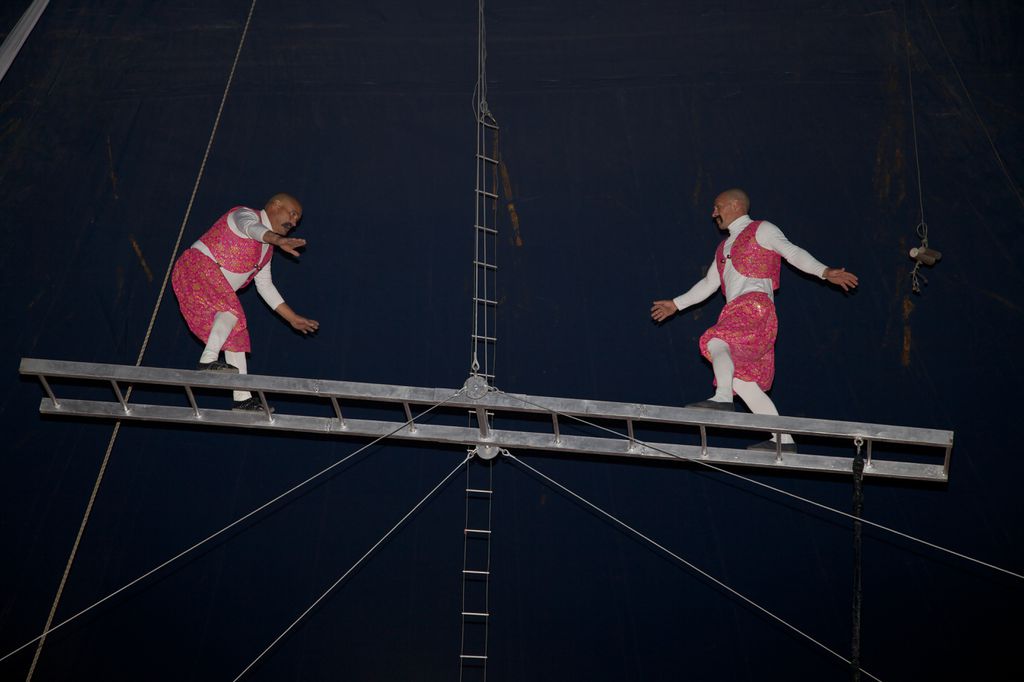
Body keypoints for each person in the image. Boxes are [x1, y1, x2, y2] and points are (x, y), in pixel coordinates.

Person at [650, 188, 857, 452]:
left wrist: (825, 272)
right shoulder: (723, 247)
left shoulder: (762, 229)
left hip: (755, 306)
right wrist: (676, 304)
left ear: (735, 205)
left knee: (714, 341)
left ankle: (723, 399)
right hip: (738, 310)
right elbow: (708, 284)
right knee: (743, 380)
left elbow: (793, 253)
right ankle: (782, 440)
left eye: (718, 206)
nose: (714, 213)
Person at [171, 193, 319, 411]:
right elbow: (252, 229)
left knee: (237, 334)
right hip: (197, 269)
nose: (294, 222)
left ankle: (242, 398)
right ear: (275, 205)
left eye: (297, 219)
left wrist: (292, 318)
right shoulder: (245, 215)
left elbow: (265, 287)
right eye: (293, 213)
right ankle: (208, 360)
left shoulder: (265, 252)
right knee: (232, 313)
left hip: (212, 287)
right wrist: (277, 239)